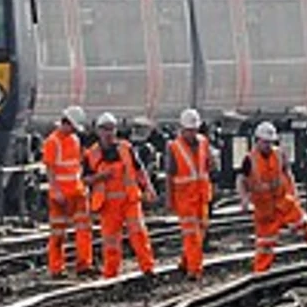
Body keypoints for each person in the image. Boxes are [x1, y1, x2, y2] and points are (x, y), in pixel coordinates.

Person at [238, 121, 307, 273]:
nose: (268, 146)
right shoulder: (249, 160)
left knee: (301, 221)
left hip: (282, 199)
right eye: (265, 142)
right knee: (265, 244)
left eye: (270, 142)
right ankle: (261, 271)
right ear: (257, 141)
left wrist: (294, 192)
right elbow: (241, 180)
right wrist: (244, 199)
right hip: (265, 209)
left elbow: (288, 173)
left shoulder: (279, 154)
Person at [85, 112, 156, 278]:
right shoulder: (91, 154)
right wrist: (99, 177)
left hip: (129, 200)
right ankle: (111, 273)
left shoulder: (126, 148)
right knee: (110, 241)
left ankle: (148, 268)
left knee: (138, 234)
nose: (108, 133)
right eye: (105, 129)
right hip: (108, 205)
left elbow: (139, 170)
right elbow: (84, 179)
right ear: (98, 131)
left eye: (111, 129)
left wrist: (148, 188)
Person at [42, 105, 94, 276]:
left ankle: (84, 265)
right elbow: (50, 169)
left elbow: (76, 166)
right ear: (66, 123)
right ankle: (56, 268)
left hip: (77, 192)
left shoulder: (74, 140)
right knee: (58, 234)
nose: (74, 131)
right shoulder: (52, 142)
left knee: (84, 230)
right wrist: (55, 191)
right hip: (60, 195)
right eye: (72, 127)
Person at [167, 108, 217, 280]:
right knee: (192, 234)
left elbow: (209, 166)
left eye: (195, 129)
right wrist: (169, 198)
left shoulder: (203, 142)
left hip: (202, 196)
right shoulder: (173, 147)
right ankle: (194, 270)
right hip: (185, 199)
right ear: (182, 129)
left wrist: (213, 163)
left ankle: (185, 262)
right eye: (189, 130)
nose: (192, 133)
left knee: (200, 232)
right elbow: (170, 175)